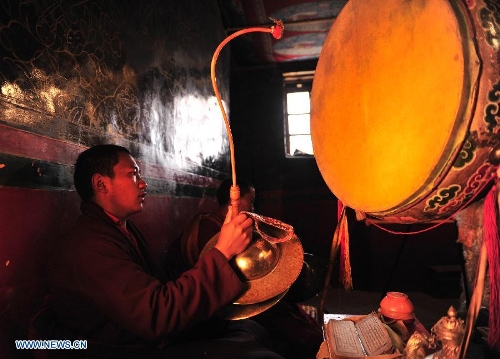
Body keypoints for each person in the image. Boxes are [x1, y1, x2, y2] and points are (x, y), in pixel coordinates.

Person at [47, 144, 285, 359]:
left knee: (249, 329)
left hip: (146, 338)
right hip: (120, 350)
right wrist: (222, 251)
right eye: (132, 174)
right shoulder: (89, 245)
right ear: (101, 184)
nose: (143, 182)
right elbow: (155, 315)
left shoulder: (118, 228)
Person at [164, 178, 324, 359]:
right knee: (303, 335)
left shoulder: (234, 226)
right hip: (224, 305)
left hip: (240, 293)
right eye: (251, 200)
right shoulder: (209, 228)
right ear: (236, 199)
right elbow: (216, 278)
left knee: (302, 319)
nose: (253, 207)